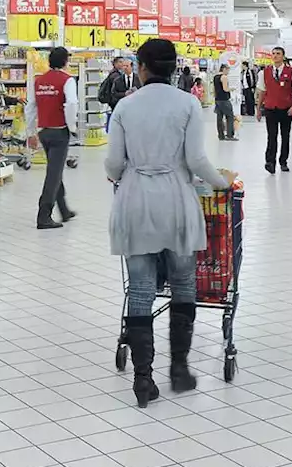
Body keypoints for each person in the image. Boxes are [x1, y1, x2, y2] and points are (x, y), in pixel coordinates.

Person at [105, 39, 231, 408]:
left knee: (141, 288)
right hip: (176, 201)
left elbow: (113, 164)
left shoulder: (126, 107)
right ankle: (179, 367)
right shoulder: (188, 103)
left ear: (141, 68)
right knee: (183, 283)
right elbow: (196, 160)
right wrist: (222, 182)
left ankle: (143, 380)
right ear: (172, 68)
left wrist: (127, 171)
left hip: (136, 202)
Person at [25, 47, 78, 229]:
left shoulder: (38, 81)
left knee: (55, 169)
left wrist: (31, 132)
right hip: (59, 131)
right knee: (53, 174)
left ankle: (64, 210)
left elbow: (30, 107)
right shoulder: (67, 80)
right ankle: (44, 216)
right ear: (65, 62)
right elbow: (71, 103)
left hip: (43, 131)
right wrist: (72, 126)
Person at [256, 46, 292, 173]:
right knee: (271, 136)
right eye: (273, 53)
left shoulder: (291, 71)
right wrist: (258, 108)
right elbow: (262, 91)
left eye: (278, 53)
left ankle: (283, 161)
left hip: (286, 109)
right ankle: (270, 162)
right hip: (270, 108)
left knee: (285, 136)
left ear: (283, 56)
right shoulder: (264, 73)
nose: (275, 56)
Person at [99, 56, 139, 131]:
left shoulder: (138, 79)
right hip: (120, 107)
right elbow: (114, 93)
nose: (124, 68)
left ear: (132, 66)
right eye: (123, 65)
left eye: (127, 66)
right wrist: (124, 94)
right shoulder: (117, 78)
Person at [213, 63, 238, 141]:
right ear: (224, 69)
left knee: (219, 118)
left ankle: (221, 135)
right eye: (228, 70)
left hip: (217, 100)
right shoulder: (224, 77)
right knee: (230, 116)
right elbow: (225, 89)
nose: (228, 72)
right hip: (224, 100)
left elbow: (214, 89)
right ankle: (230, 135)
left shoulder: (215, 77)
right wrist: (232, 89)